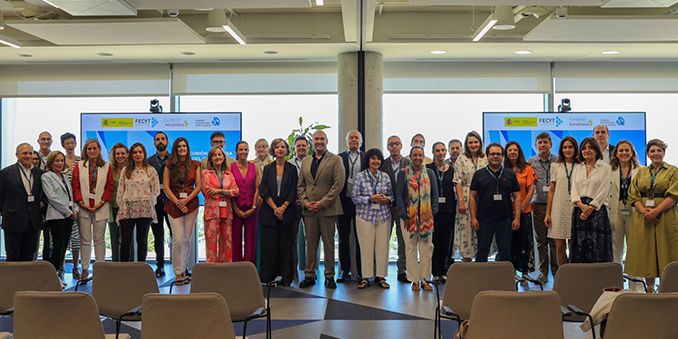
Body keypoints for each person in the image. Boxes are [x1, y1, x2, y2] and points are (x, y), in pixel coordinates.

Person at [626, 139, 677, 293]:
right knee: (646, 251)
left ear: (664, 152)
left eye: (659, 150)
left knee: (666, 250)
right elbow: (633, 194)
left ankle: (665, 288)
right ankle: (648, 288)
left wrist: (656, 211)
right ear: (648, 154)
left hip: (665, 215)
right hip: (643, 217)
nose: (656, 154)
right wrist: (644, 211)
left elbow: (674, 195)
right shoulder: (641, 172)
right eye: (652, 151)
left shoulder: (673, 171)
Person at [298, 130, 345, 289]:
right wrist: (305, 202)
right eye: (316, 139)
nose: (319, 141)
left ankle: (329, 276)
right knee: (310, 244)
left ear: (327, 141)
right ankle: (309, 275)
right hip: (309, 210)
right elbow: (301, 186)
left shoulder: (336, 160)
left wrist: (323, 202)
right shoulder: (306, 161)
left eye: (322, 139)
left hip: (328, 209)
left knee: (329, 243)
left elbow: (338, 185)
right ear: (313, 142)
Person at [469, 143, 520, 265]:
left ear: (502, 156)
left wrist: (517, 218)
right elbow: (472, 196)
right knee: (482, 253)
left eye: (498, 154)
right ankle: (480, 282)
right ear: (487, 156)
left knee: (505, 253)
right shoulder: (479, 174)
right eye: (492, 154)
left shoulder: (510, 174)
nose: (495, 156)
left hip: (505, 220)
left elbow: (517, 196)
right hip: (484, 220)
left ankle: (504, 281)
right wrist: (473, 218)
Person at [396, 146, 438, 291]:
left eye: (420, 155)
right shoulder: (403, 174)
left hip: (426, 218)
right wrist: (404, 214)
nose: (418, 158)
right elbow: (399, 196)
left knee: (426, 249)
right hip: (409, 218)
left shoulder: (430, 173)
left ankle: (425, 279)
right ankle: (414, 280)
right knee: (410, 248)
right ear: (410, 156)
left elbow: (434, 195)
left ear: (424, 156)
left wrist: (432, 212)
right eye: (415, 155)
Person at [72, 139, 114, 280]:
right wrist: (81, 202)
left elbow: (110, 186)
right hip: (84, 207)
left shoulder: (107, 166)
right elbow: (75, 185)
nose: (92, 151)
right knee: (85, 240)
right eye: (89, 148)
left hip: (101, 207)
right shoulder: (79, 165)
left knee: (99, 239)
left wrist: (101, 202)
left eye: (94, 148)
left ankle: (100, 269)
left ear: (99, 150)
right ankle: (84, 269)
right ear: (85, 150)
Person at [352, 148, 393, 289]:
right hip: (365, 217)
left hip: (383, 217)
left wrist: (386, 199)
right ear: (368, 160)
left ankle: (381, 277)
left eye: (378, 159)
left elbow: (392, 196)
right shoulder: (360, 177)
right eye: (373, 158)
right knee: (366, 248)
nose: (376, 161)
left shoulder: (385, 177)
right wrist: (370, 198)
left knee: (382, 248)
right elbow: (355, 198)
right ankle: (365, 277)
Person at [259, 139, 298, 285]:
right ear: (273, 151)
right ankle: (268, 277)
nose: (280, 149)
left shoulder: (292, 168)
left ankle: (286, 278)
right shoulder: (268, 168)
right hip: (270, 213)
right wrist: (275, 208)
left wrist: (283, 207)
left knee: (286, 246)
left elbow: (294, 190)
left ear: (287, 150)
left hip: (287, 213)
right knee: (270, 246)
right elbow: (263, 190)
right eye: (277, 147)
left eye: (283, 147)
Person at [164, 137, 201, 285]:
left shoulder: (196, 165)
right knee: (178, 240)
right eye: (179, 146)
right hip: (174, 205)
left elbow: (198, 186)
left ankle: (184, 270)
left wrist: (186, 200)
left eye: (184, 146)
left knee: (187, 239)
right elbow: (166, 187)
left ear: (188, 148)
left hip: (191, 205)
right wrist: (178, 202)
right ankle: (177, 273)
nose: (182, 149)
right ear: (175, 149)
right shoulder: (169, 166)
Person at [569, 137, 613, 263]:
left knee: (598, 246)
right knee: (579, 246)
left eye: (590, 147)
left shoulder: (604, 167)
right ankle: (581, 279)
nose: (587, 150)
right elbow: (574, 189)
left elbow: (604, 189)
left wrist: (591, 208)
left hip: (597, 211)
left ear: (596, 150)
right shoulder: (578, 168)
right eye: (584, 148)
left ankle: (599, 279)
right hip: (579, 210)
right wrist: (581, 206)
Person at [0, 143, 45, 261]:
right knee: (12, 257)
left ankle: (27, 280)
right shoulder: (5, 173)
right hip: (13, 221)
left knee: (29, 256)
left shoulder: (39, 174)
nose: (28, 156)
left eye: (30, 153)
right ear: (17, 155)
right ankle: (13, 280)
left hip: (33, 222)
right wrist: (6, 212)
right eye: (24, 153)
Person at [116, 143, 160, 263]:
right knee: (125, 240)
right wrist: (122, 205)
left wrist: (149, 201)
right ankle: (123, 268)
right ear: (131, 155)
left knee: (142, 240)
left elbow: (156, 190)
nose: (138, 154)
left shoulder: (150, 170)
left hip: (145, 209)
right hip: (127, 209)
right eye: (135, 152)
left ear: (144, 154)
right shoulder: (126, 170)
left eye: (140, 152)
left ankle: (141, 267)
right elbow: (120, 189)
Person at [42, 151, 77, 285]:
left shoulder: (64, 176)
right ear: (51, 162)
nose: (60, 163)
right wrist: (68, 212)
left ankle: (56, 276)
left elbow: (71, 195)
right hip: (57, 216)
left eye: (62, 160)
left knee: (63, 247)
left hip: (69, 216)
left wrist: (74, 210)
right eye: (57, 160)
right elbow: (52, 198)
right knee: (57, 247)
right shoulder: (46, 176)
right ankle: (51, 277)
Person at [527, 132, 559, 282]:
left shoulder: (558, 160)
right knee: (541, 241)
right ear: (536, 145)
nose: (542, 145)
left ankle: (557, 271)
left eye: (545, 142)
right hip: (538, 204)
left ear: (550, 144)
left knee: (554, 240)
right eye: (539, 142)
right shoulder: (530, 162)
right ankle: (543, 272)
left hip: (555, 205)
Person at [504, 141, 536, 282]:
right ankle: (511, 272)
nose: (512, 152)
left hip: (524, 210)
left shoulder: (527, 169)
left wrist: (521, 207)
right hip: (506, 212)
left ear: (519, 152)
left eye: (515, 150)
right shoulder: (502, 168)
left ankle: (524, 271)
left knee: (524, 241)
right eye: (509, 150)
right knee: (509, 242)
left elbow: (531, 189)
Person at [545, 136, 579, 266]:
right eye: (565, 147)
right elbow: (552, 190)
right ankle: (564, 274)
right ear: (561, 149)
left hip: (575, 207)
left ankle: (575, 274)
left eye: (570, 147)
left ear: (575, 149)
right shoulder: (555, 166)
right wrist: (548, 213)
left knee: (574, 246)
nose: (567, 149)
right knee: (559, 246)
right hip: (558, 209)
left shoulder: (581, 166)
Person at [380, 135, 410, 283]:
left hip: (403, 207)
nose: (394, 147)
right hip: (386, 207)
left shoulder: (408, 163)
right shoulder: (382, 164)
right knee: (383, 240)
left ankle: (402, 270)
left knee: (403, 240)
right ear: (387, 147)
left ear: (401, 146)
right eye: (391, 144)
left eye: (397, 144)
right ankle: (380, 272)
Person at [453, 131, 487, 262]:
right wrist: (461, 201)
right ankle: (466, 261)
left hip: (483, 197)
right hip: (466, 198)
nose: (473, 145)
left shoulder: (485, 158)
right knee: (466, 230)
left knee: (482, 228)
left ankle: (481, 261)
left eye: (476, 142)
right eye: (470, 142)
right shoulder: (461, 159)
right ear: (467, 144)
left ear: (480, 143)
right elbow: (458, 181)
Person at [202, 146, 239, 263]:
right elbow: (208, 191)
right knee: (211, 242)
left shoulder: (229, 174)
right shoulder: (206, 173)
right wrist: (227, 192)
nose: (217, 157)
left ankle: (226, 269)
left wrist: (219, 191)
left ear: (224, 157)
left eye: (220, 155)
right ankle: (212, 270)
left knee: (227, 242)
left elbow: (236, 191)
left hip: (226, 212)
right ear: (211, 158)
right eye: (215, 155)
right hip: (212, 212)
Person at [337, 130, 364, 282]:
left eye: (356, 138)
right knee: (343, 238)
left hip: (361, 204)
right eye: (351, 138)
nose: (354, 140)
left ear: (361, 141)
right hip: (343, 202)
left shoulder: (366, 157)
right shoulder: (339, 158)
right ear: (346, 141)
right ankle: (344, 270)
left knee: (361, 238)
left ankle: (361, 272)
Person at [427, 142, 456, 282]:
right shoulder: (428, 169)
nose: (440, 153)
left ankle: (443, 271)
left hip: (449, 210)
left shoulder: (452, 170)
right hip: (433, 211)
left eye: (443, 150)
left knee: (446, 241)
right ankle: (435, 272)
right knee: (434, 242)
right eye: (437, 150)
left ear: (446, 152)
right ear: (433, 152)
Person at [609, 140, 640, 265]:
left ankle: (636, 283)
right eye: (621, 150)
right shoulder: (609, 170)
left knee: (634, 246)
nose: (624, 153)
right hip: (615, 208)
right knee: (615, 246)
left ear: (632, 153)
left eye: (627, 150)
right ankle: (616, 280)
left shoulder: (641, 170)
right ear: (616, 154)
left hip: (634, 209)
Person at [231, 141, 260, 264]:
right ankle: (236, 267)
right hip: (235, 209)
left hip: (252, 209)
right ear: (236, 152)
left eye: (246, 149)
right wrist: (236, 209)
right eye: (241, 149)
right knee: (235, 239)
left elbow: (258, 188)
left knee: (251, 240)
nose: (243, 152)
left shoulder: (255, 167)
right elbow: (229, 188)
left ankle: (249, 268)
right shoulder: (231, 167)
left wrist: (253, 207)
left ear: (249, 151)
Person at [289, 135, 313, 278]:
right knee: (292, 239)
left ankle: (311, 270)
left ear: (308, 147)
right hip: (293, 206)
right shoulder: (290, 163)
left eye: (303, 145)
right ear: (294, 148)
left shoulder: (312, 162)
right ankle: (293, 271)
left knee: (311, 239)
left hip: (309, 205)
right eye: (298, 146)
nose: (301, 148)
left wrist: (306, 200)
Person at [147, 131, 171, 277]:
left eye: (163, 139)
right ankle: (160, 265)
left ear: (167, 141)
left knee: (176, 235)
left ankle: (179, 266)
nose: (160, 141)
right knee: (158, 236)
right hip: (155, 203)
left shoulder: (174, 160)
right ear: (154, 143)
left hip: (171, 202)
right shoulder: (149, 162)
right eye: (157, 139)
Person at [60, 132, 81, 279]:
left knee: (77, 238)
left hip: (78, 204)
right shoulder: (59, 160)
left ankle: (75, 267)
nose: (69, 145)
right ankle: (60, 268)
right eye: (66, 143)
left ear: (75, 143)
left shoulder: (81, 161)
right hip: (61, 205)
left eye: (71, 142)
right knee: (62, 239)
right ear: (63, 145)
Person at [108, 143, 128, 262]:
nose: (120, 156)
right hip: (114, 207)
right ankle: (115, 265)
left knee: (127, 239)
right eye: (117, 154)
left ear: (127, 155)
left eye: (122, 153)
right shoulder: (109, 169)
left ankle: (129, 265)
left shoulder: (132, 169)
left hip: (129, 209)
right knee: (115, 238)